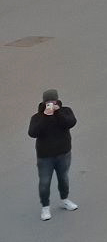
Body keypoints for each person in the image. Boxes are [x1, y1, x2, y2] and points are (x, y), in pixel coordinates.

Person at [30, 88, 77, 221]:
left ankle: (64, 200)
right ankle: (45, 208)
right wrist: (46, 116)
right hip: (45, 157)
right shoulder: (37, 117)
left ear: (57, 100)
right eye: (48, 102)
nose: (50, 103)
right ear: (44, 102)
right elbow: (32, 133)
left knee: (64, 178)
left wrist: (58, 112)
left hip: (64, 153)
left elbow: (70, 123)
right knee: (44, 182)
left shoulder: (65, 111)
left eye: (52, 101)